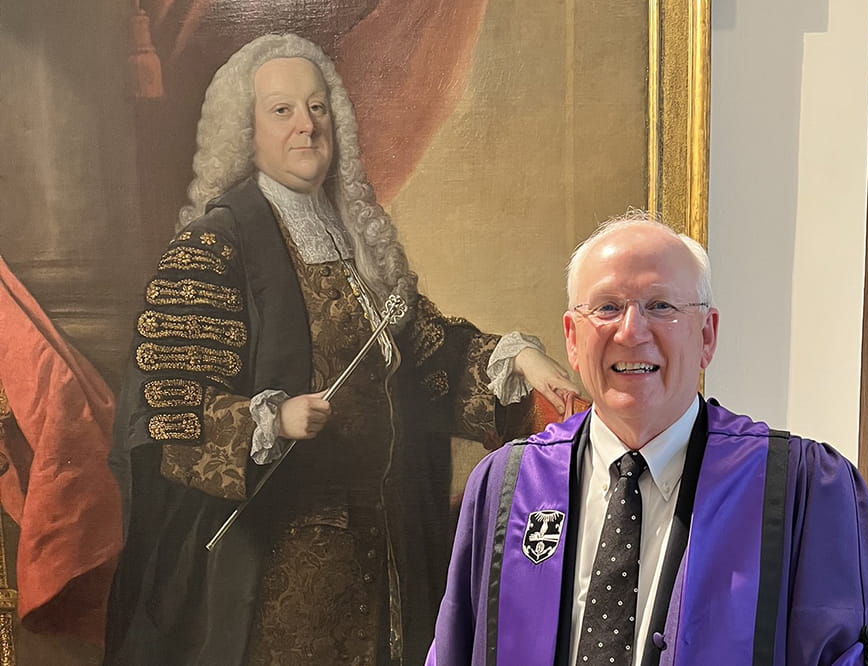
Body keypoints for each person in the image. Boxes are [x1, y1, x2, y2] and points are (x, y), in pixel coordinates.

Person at [105, 33, 577, 666]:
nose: (306, 126)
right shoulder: (214, 246)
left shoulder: (357, 239)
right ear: (245, 131)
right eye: (282, 111)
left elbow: (428, 356)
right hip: (273, 563)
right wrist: (270, 419)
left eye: (318, 107)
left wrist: (519, 358)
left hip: (381, 551)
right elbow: (171, 412)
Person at [426, 213, 868, 665]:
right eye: (607, 307)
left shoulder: (802, 491)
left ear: (707, 335)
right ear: (572, 338)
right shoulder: (507, 487)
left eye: (661, 306)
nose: (632, 332)